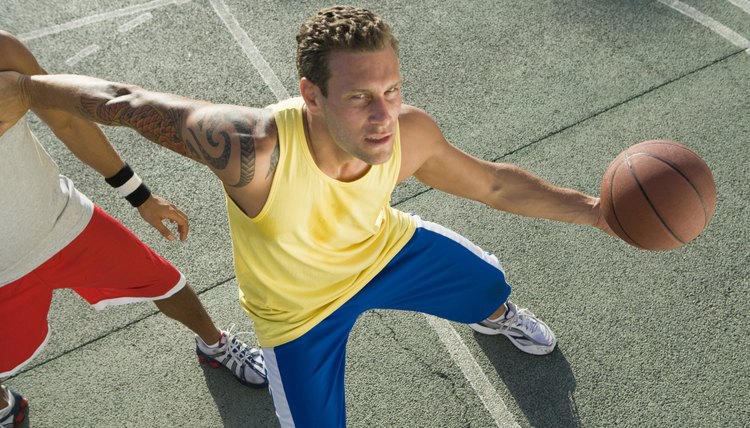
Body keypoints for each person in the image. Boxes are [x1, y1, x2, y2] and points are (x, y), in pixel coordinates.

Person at [0, 6, 613, 427]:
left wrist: (595, 212)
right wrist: (27, 86)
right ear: (311, 95)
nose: (382, 116)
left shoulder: (409, 133)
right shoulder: (251, 148)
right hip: (297, 312)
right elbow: (122, 104)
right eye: (358, 96)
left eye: (391, 91)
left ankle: (496, 317)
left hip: (381, 253)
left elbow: (497, 184)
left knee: (486, 284)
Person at [0, 31, 267, 428]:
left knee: (165, 282)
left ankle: (215, 344)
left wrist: (140, 196)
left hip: (62, 219)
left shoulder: (4, 51)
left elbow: (68, 123)